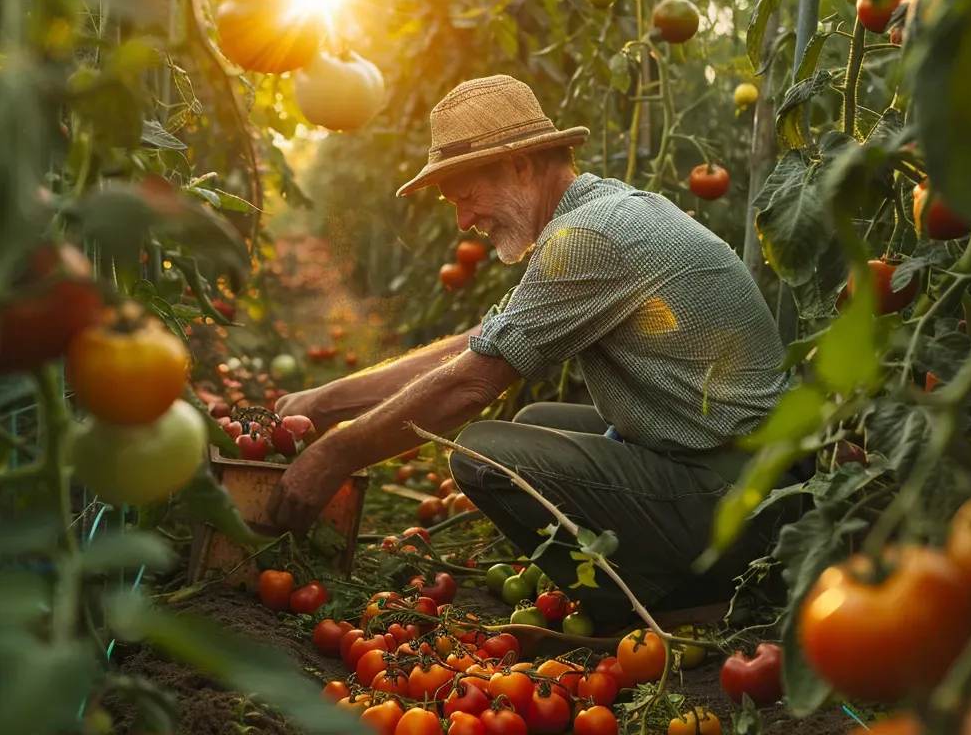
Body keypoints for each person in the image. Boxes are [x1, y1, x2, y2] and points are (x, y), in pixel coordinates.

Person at [271, 74, 800, 630]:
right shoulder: (596, 215)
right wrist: (327, 402)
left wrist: (334, 456)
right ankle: (665, 579)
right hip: (744, 470)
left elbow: (472, 382)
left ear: (521, 166)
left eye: (467, 196)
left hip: (744, 503)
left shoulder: (587, 239)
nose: (464, 221)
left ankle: (670, 602)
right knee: (534, 421)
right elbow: (477, 340)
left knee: (484, 454)